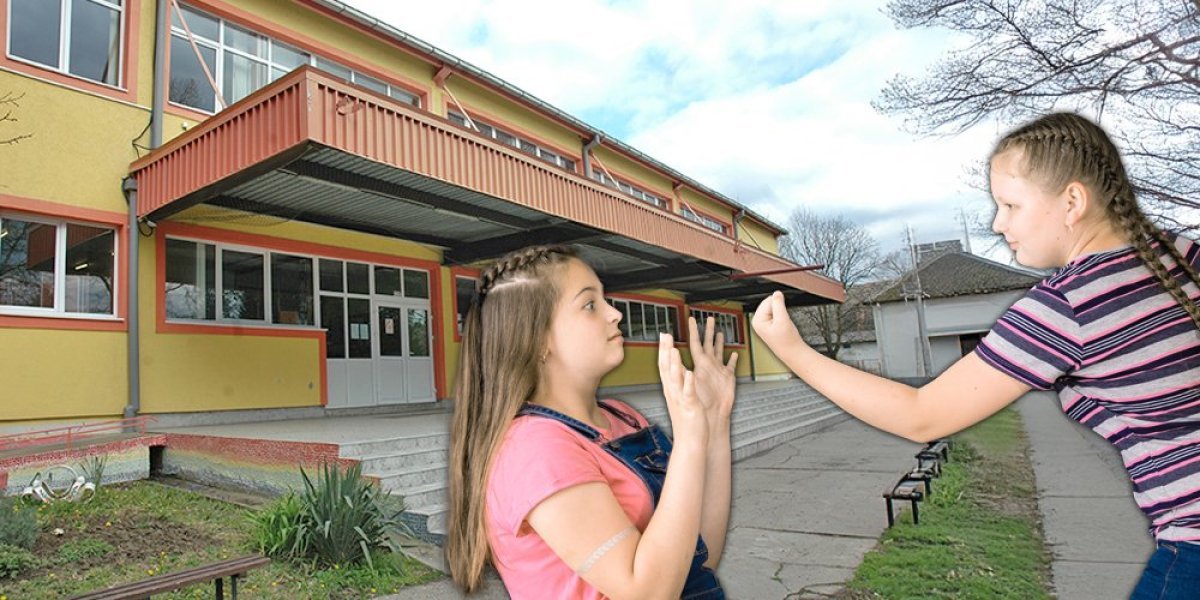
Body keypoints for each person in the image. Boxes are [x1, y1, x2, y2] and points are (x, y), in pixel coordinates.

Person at [751, 112, 1200, 599]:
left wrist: (792, 352)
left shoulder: (1069, 303)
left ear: (1072, 201)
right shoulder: (1182, 254)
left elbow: (921, 416)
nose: (998, 222)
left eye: (1010, 204)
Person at [446, 244, 739, 599]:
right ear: (539, 340)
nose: (615, 314)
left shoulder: (623, 416)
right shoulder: (536, 449)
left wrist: (715, 420)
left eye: (605, 299)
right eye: (589, 305)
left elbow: (699, 553)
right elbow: (646, 592)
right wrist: (691, 439)